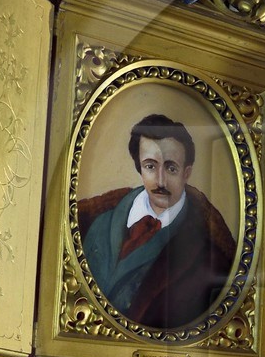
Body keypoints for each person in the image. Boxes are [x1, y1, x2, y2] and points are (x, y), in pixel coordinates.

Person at [77, 113, 236, 327]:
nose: (160, 180)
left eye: (171, 168)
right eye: (150, 166)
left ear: (186, 173)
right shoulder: (96, 222)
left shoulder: (210, 257)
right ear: (139, 168)